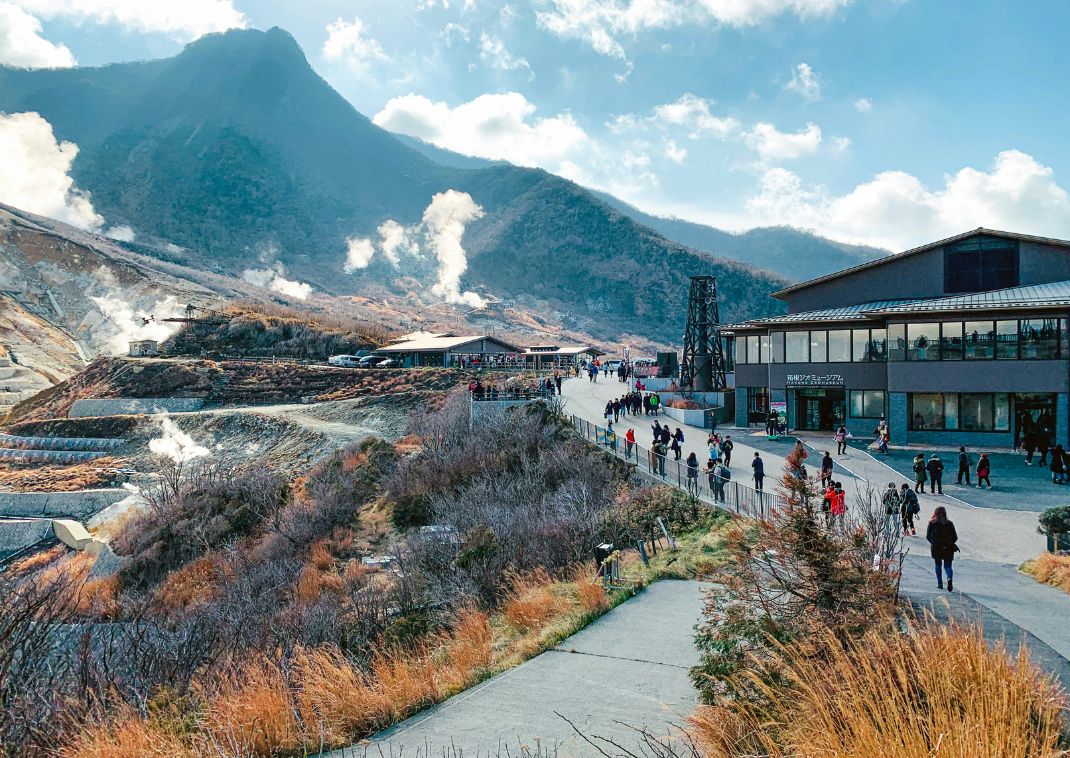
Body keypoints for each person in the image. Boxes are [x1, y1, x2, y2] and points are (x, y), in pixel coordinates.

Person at [926, 506, 959, 591]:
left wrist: (934, 543)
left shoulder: (932, 523)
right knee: (948, 566)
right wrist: (949, 543)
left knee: (938, 564)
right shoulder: (949, 524)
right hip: (948, 547)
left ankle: (940, 583)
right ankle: (949, 578)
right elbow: (955, 537)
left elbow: (928, 536)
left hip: (936, 547)